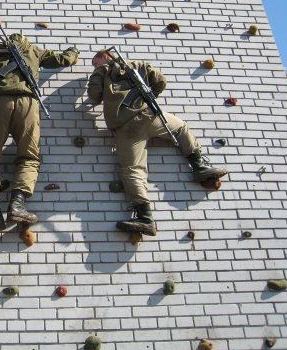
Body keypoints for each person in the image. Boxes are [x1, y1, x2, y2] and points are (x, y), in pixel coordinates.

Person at [87, 49, 228, 236]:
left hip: (126, 127)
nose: (94, 66)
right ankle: (199, 166)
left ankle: (145, 217)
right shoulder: (137, 65)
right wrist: (147, 99)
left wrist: (99, 73)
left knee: (132, 169)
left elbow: (94, 95)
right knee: (180, 128)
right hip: (150, 115)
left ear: (104, 57)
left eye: (95, 63)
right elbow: (161, 80)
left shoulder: (102, 72)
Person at [0, 34, 79, 234]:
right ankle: (17, 206)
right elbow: (62, 60)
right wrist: (74, 51)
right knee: (29, 157)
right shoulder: (33, 50)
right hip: (28, 104)